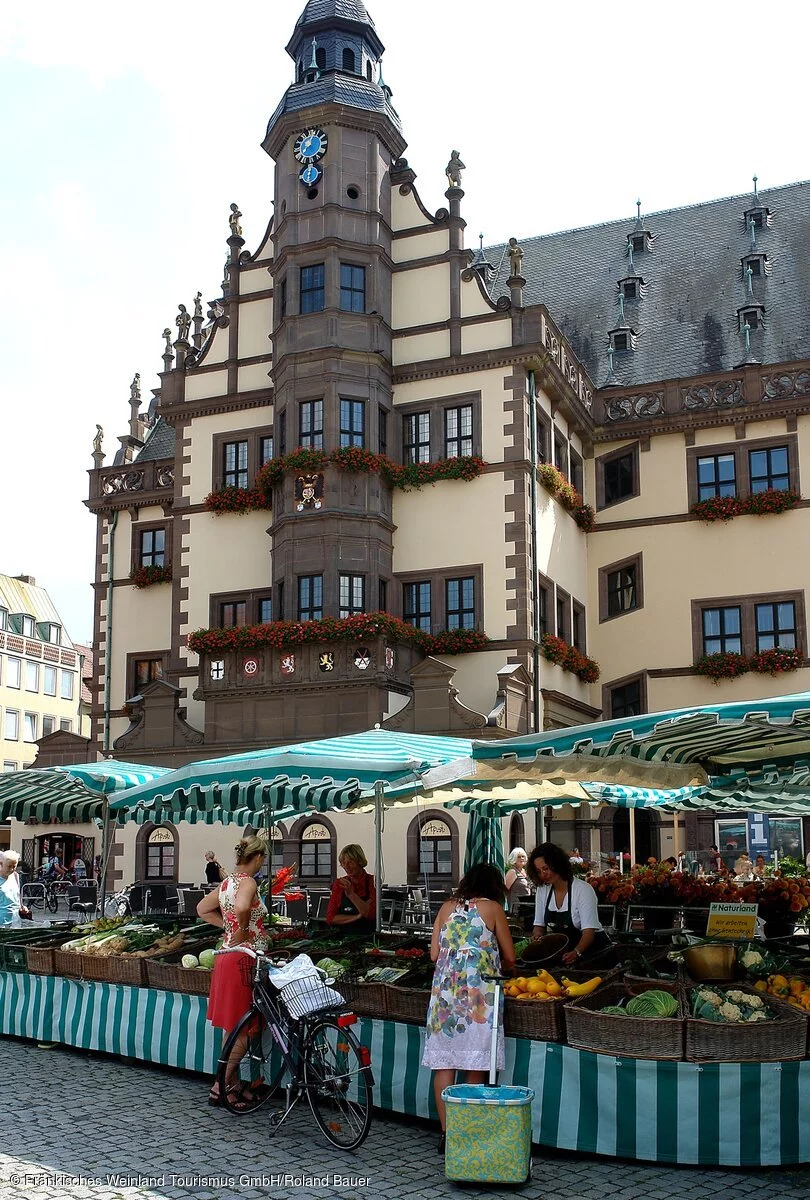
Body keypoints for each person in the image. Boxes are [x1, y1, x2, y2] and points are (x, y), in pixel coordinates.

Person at [421, 863, 516, 1153]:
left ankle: (447, 1132)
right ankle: (466, 1131)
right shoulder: (493, 909)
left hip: (445, 997)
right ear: (494, 885)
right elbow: (510, 956)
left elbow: (434, 953)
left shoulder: (445, 908)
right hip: (479, 997)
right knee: (474, 1062)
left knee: (445, 1063)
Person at [197, 835, 270, 1110]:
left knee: (231, 1026)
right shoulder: (249, 882)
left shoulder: (227, 882)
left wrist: (227, 930)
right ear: (259, 858)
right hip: (245, 959)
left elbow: (202, 909)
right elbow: (241, 907)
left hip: (227, 957)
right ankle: (219, 1087)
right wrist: (240, 930)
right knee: (246, 1028)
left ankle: (232, 1084)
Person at [529, 842, 609, 966]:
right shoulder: (542, 890)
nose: (543, 874)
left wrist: (577, 952)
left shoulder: (583, 890)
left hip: (595, 954)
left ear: (557, 864)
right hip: (565, 955)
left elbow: (589, 931)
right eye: (538, 871)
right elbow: (539, 925)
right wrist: (537, 936)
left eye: (545, 868)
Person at [325, 844, 376, 934]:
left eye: (350, 862)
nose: (346, 867)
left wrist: (351, 894)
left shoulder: (373, 881)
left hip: (367, 937)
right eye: (343, 863)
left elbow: (370, 914)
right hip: (342, 937)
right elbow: (330, 918)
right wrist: (356, 917)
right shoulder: (339, 884)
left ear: (359, 861)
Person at [504, 847, 533, 914]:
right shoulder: (512, 872)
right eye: (519, 856)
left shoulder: (525, 872)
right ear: (514, 858)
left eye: (523, 856)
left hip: (527, 908)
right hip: (515, 909)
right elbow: (504, 890)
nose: (522, 858)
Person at [0, 852, 23, 926]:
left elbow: (17, 895)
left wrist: (22, 906)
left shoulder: (15, 876)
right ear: (1, 864)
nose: (12, 869)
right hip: (2, 922)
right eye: (9, 866)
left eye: (14, 866)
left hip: (15, 921)